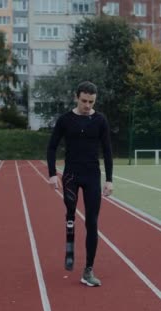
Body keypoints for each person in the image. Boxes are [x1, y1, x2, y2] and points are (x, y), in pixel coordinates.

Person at [47, 81, 113, 287]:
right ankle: (69, 248)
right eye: (84, 101)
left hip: (92, 175)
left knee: (92, 222)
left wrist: (110, 180)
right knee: (70, 214)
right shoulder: (65, 120)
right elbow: (51, 148)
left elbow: (108, 152)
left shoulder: (100, 120)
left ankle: (88, 270)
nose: (87, 105)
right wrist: (52, 174)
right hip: (71, 176)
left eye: (91, 102)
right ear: (77, 97)